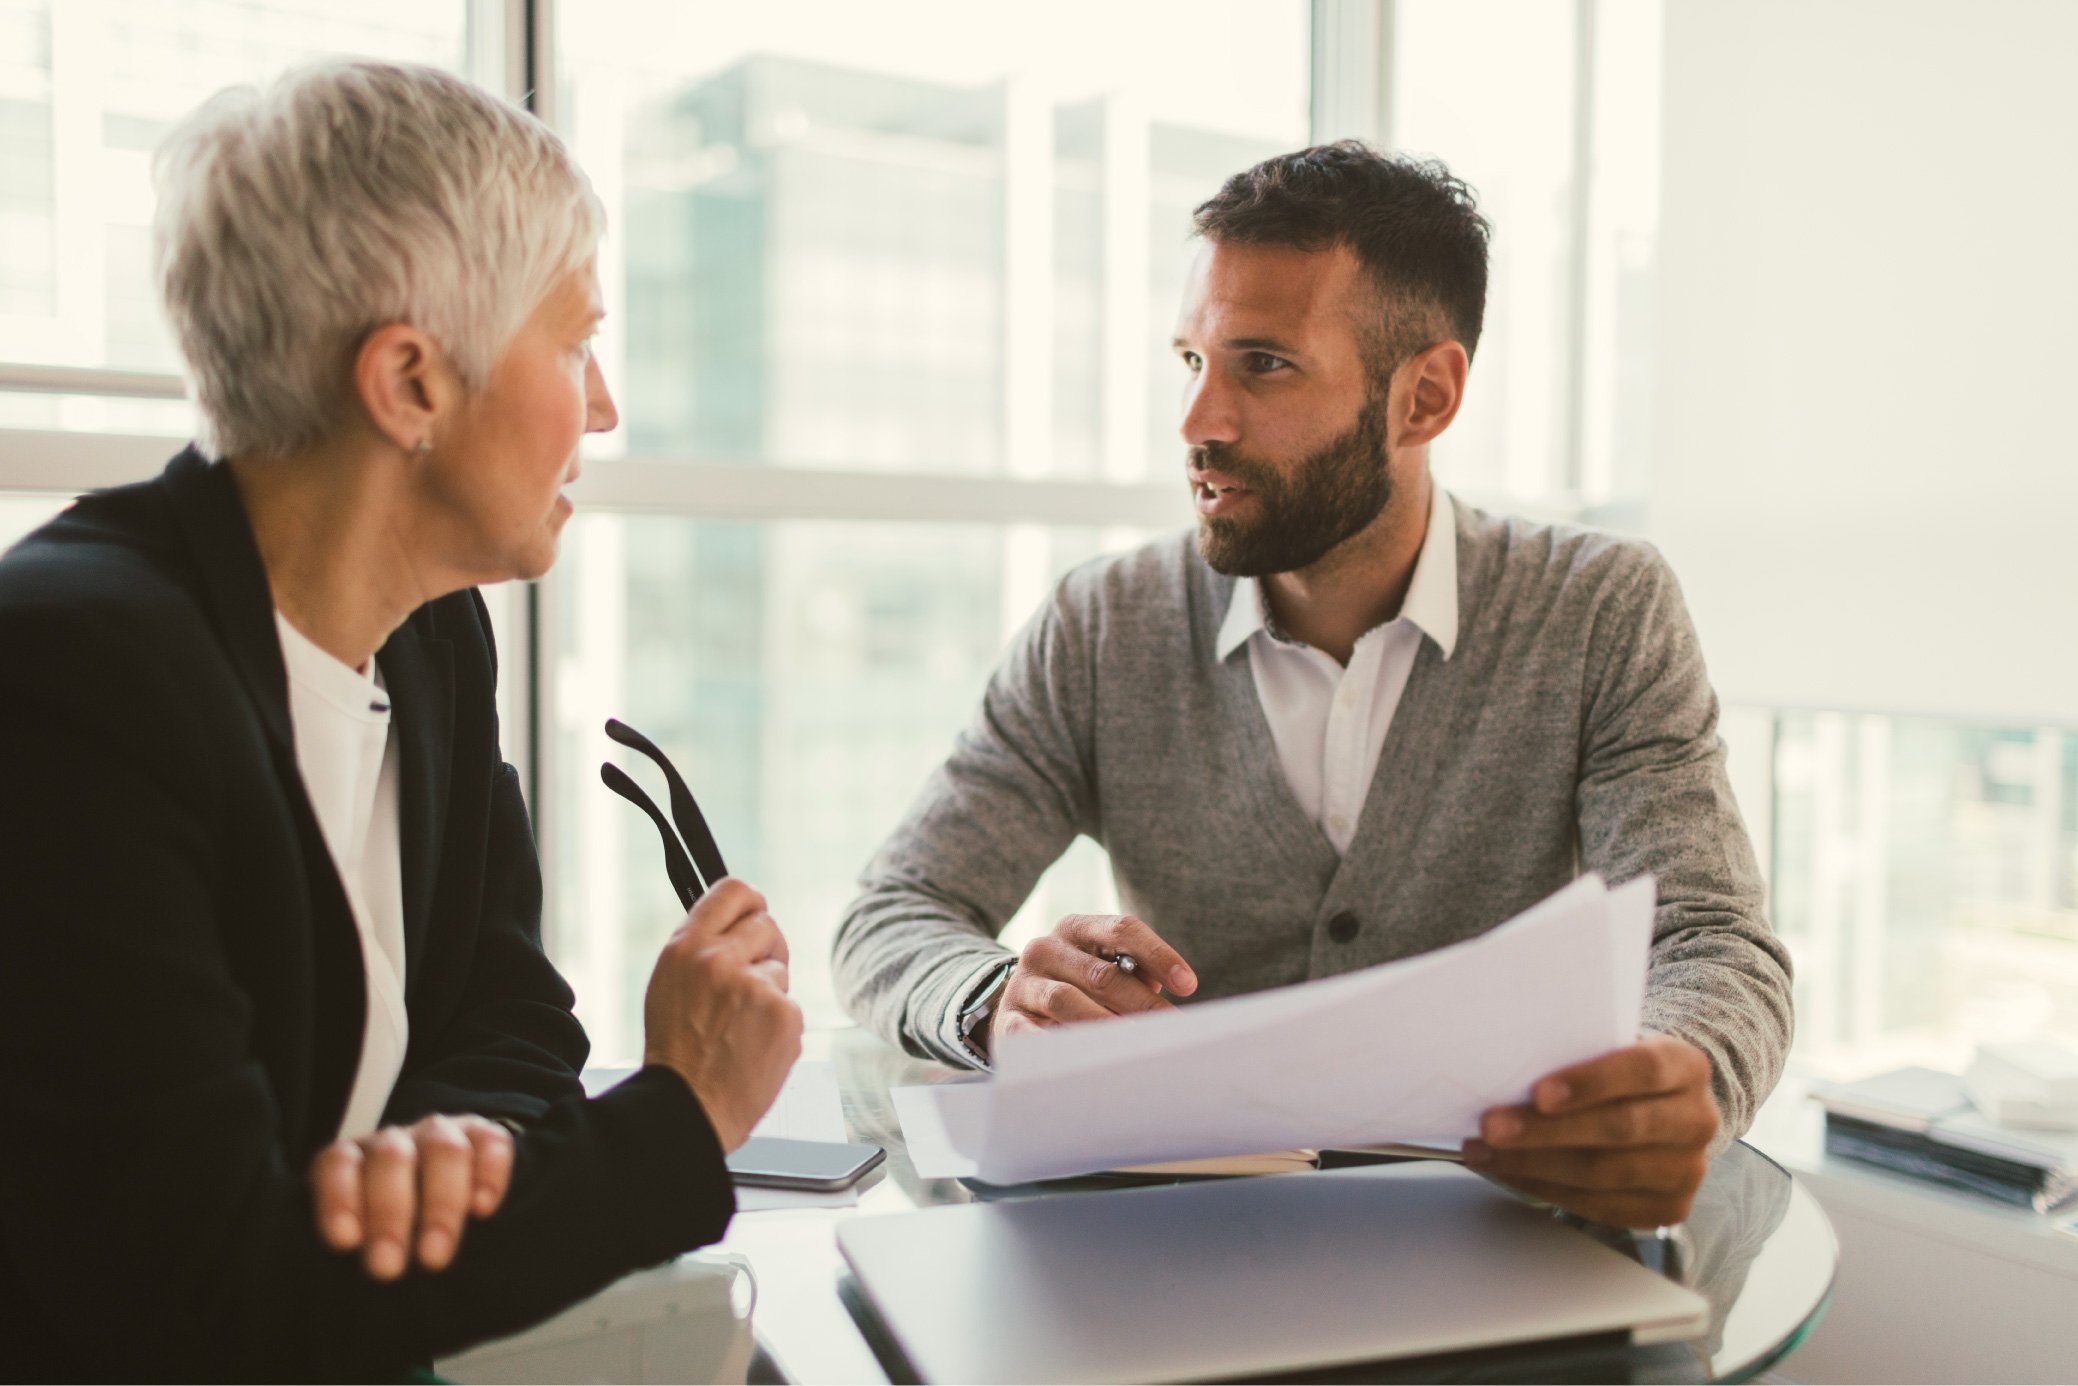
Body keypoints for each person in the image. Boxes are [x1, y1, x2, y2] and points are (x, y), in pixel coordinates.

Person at [0, 61, 802, 1381]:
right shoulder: (75, 681)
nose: (599, 406)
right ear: (411, 383)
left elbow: (509, 1013)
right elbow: (197, 1300)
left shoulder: (429, 628)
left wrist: (436, 1148)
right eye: (575, 343)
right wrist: (682, 1115)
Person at [835, 142, 1792, 1231]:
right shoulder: (1100, 625)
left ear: (1422, 397)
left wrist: (1675, 1077)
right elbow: (892, 913)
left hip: (1500, 1245)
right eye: (1189, 361)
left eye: (1264, 365)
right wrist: (992, 997)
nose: (1198, 423)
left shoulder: (1596, 610)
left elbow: (1711, 942)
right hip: (1173, 1254)